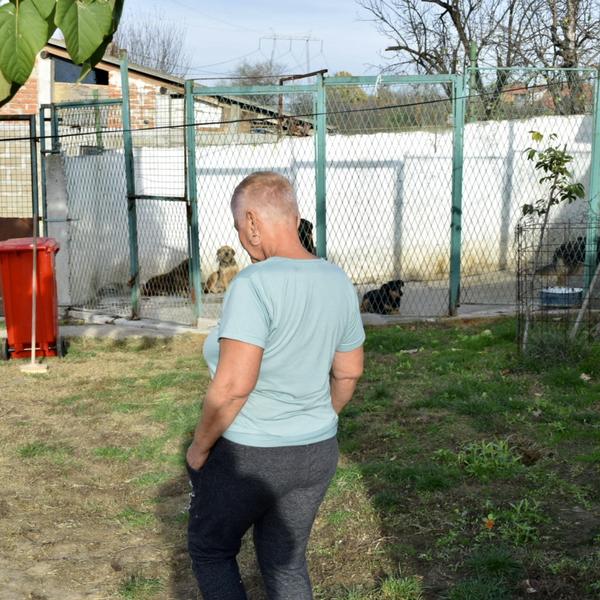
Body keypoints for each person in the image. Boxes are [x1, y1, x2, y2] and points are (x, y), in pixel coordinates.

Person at [186, 171, 365, 600]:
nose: (240, 237)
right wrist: (315, 419)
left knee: (211, 550)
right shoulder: (337, 279)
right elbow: (348, 373)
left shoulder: (253, 284)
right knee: (286, 563)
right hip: (317, 452)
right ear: (294, 217)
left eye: (237, 227)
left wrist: (199, 448)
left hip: (251, 454)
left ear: (251, 222)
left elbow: (233, 387)